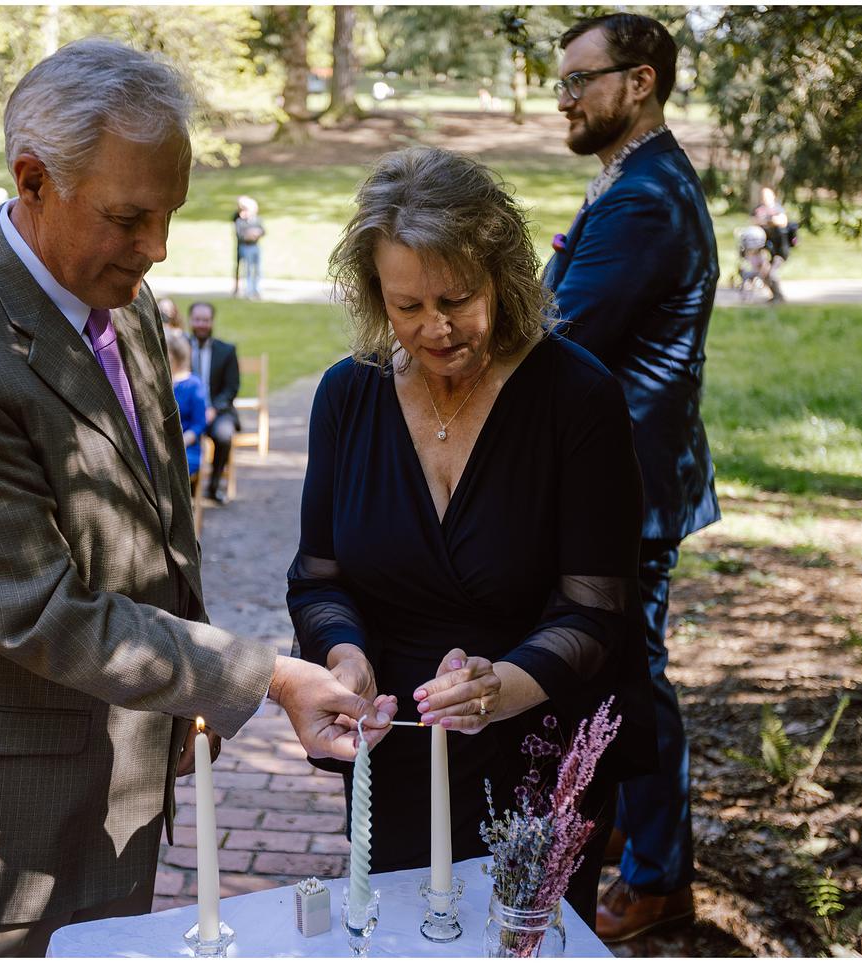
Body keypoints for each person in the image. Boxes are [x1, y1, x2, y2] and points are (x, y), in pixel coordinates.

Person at [0, 38, 393, 957]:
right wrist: (260, 675)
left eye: (171, 214)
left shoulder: (127, 302)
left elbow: (158, 521)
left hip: (119, 799)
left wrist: (186, 696)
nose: (157, 247)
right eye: (130, 216)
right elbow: (43, 612)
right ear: (33, 181)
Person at [287, 146, 656, 927]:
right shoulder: (347, 396)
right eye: (408, 305)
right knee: (396, 935)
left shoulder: (577, 397)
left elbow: (596, 608)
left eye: (456, 299)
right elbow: (318, 578)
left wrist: (501, 688)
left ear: (503, 277)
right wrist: (345, 657)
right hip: (398, 745)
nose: (436, 328)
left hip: (539, 749)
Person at [544, 13, 721, 940]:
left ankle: (657, 876)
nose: (565, 99)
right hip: (632, 477)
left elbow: (560, 336)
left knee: (633, 679)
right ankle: (619, 829)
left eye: (580, 80)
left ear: (640, 81)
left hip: (631, 487)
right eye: (562, 81)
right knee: (620, 670)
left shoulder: (647, 197)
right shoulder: (636, 179)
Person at [188, 301, 240, 504]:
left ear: (212, 321)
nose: (202, 324)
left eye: (206, 320)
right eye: (197, 320)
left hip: (217, 411)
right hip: (187, 412)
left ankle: (214, 485)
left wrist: (213, 409)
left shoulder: (226, 351)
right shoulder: (180, 348)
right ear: (190, 320)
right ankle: (188, 486)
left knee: (224, 434)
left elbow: (231, 388)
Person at [167, 327, 208, 492]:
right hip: (159, 446)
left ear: (176, 355)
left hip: (186, 447)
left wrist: (178, 443)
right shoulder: (159, 384)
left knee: (168, 470)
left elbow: (199, 424)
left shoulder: (193, 384)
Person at [234, 195, 264, 300]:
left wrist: (257, 233)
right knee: (248, 269)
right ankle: (249, 290)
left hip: (255, 246)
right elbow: (240, 235)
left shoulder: (257, 220)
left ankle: (257, 290)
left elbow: (262, 231)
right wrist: (249, 234)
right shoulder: (240, 221)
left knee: (258, 269)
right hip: (246, 247)